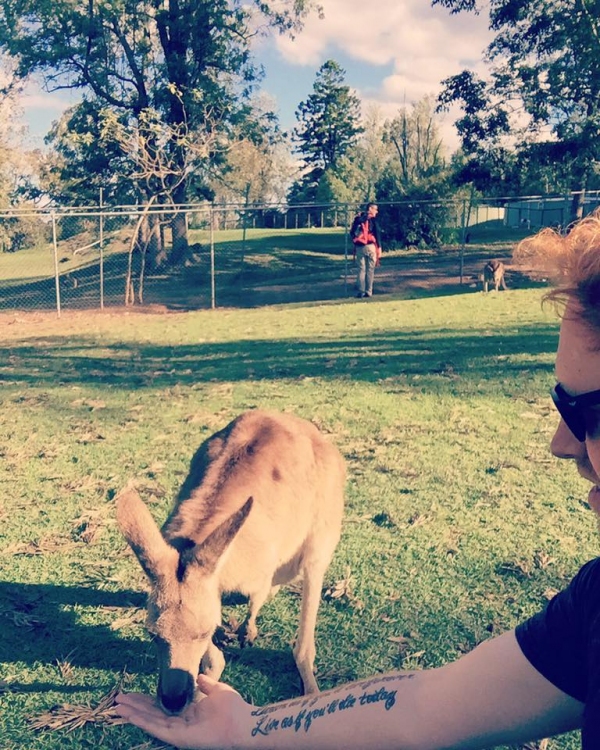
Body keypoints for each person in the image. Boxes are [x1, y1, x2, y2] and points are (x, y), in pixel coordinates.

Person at [115, 213, 600, 749]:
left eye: (591, 412)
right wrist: (247, 729)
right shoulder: (591, 608)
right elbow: (419, 710)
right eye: (560, 404)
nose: (561, 443)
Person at [350, 202, 382, 298]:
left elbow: (352, 232)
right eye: (375, 209)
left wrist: (355, 241)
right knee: (370, 269)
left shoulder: (358, 219)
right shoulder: (373, 220)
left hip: (360, 247)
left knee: (361, 269)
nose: (376, 211)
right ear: (370, 209)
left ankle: (361, 291)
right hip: (371, 246)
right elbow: (377, 234)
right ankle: (369, 291)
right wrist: (379, 247)